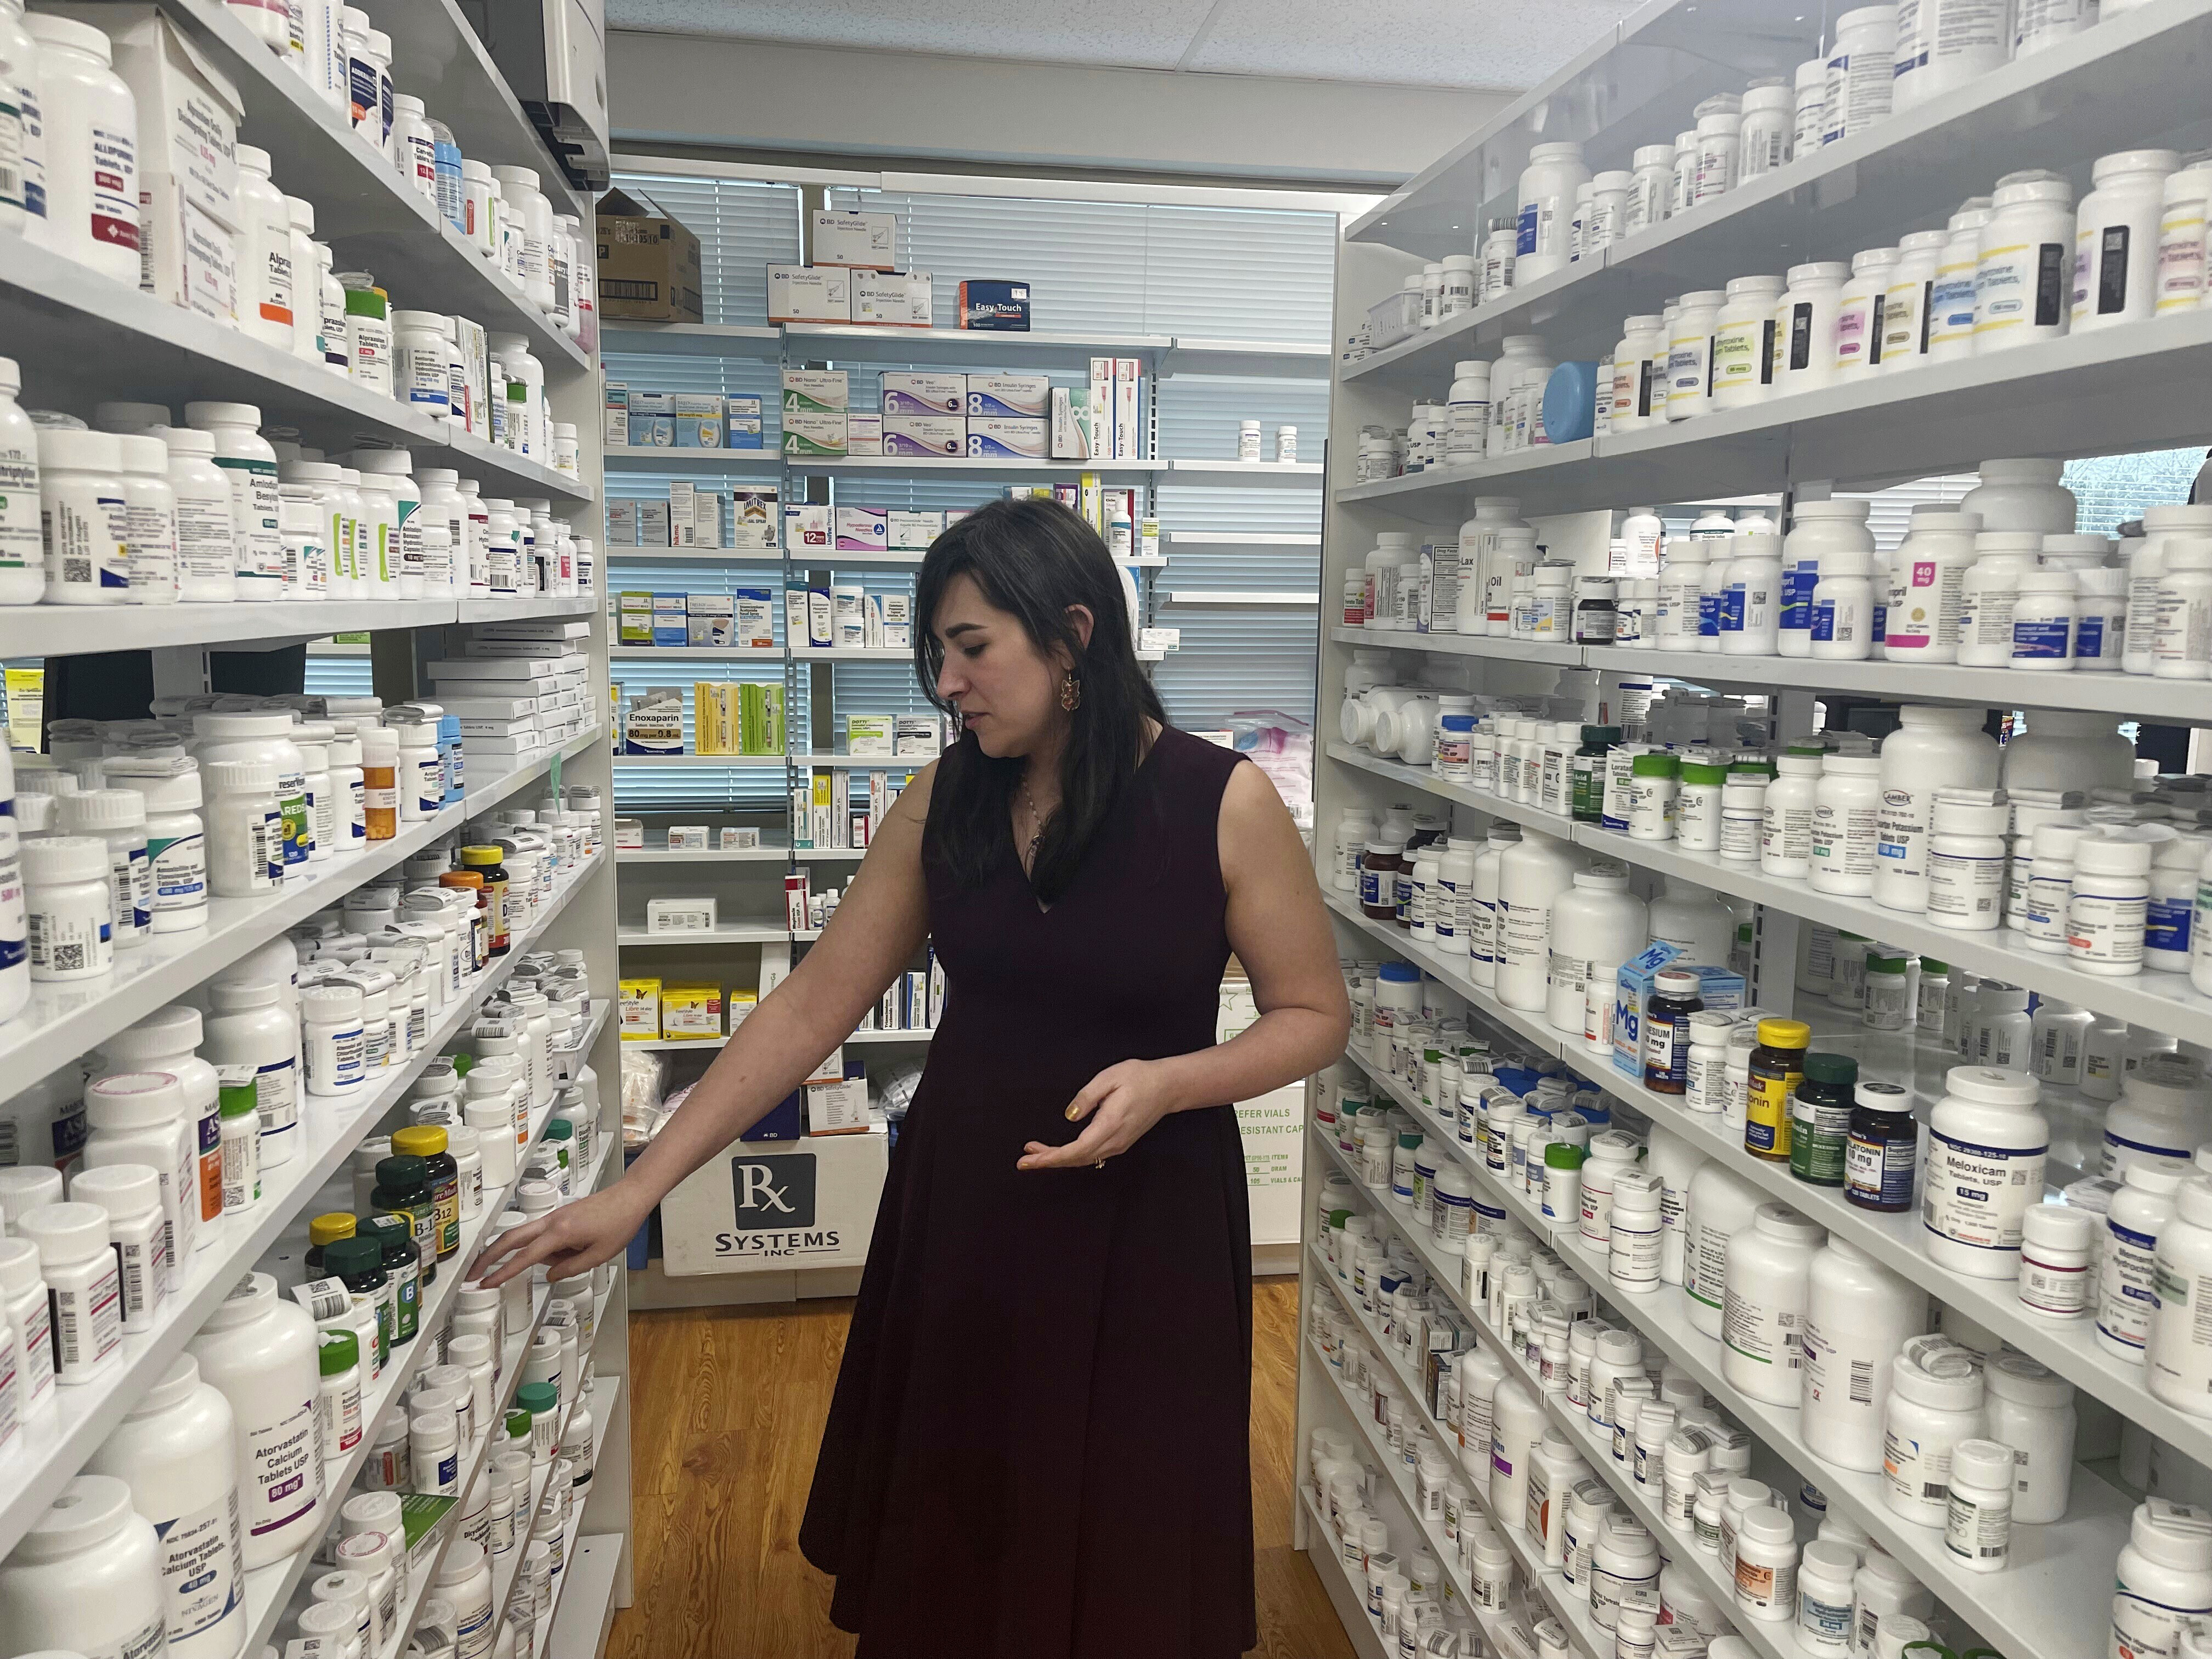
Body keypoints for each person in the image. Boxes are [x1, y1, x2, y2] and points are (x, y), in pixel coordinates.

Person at [479, 496, 1350, 1657]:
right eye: (936, 653)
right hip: (969, 1202)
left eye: (972, 648)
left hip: (1149, 1216)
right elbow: (810, 1008)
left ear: (1074, 635)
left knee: (1128, 1515)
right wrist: (641, 1187)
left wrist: (1171, 1082)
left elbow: (1315, 1018)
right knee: (965, 1506)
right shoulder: (946, 800)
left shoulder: (1221, 800)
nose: (948, 683)